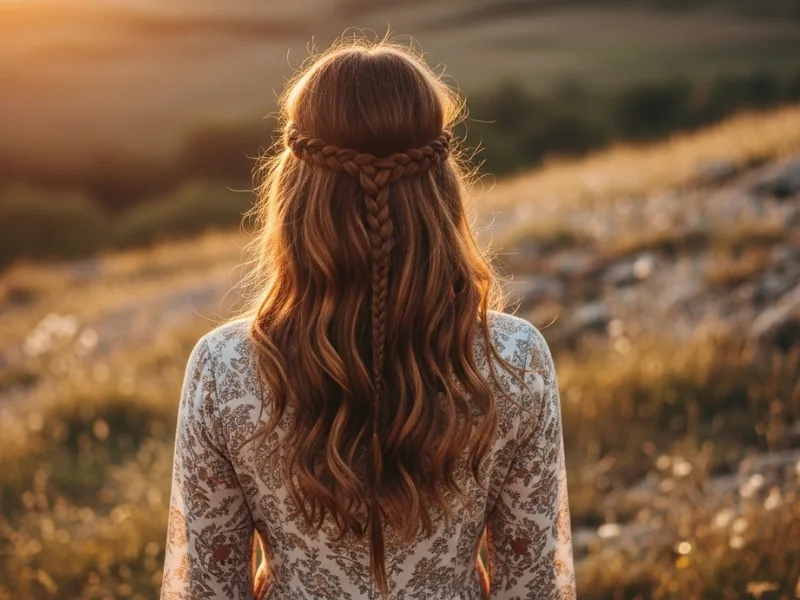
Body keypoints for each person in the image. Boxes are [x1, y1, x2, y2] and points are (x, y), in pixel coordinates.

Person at [161, 36, 575, 600]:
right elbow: (532, 588)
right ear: (442, 186)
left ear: (292, 190)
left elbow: (209, 589)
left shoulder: (223, 368)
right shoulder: (516, 359)